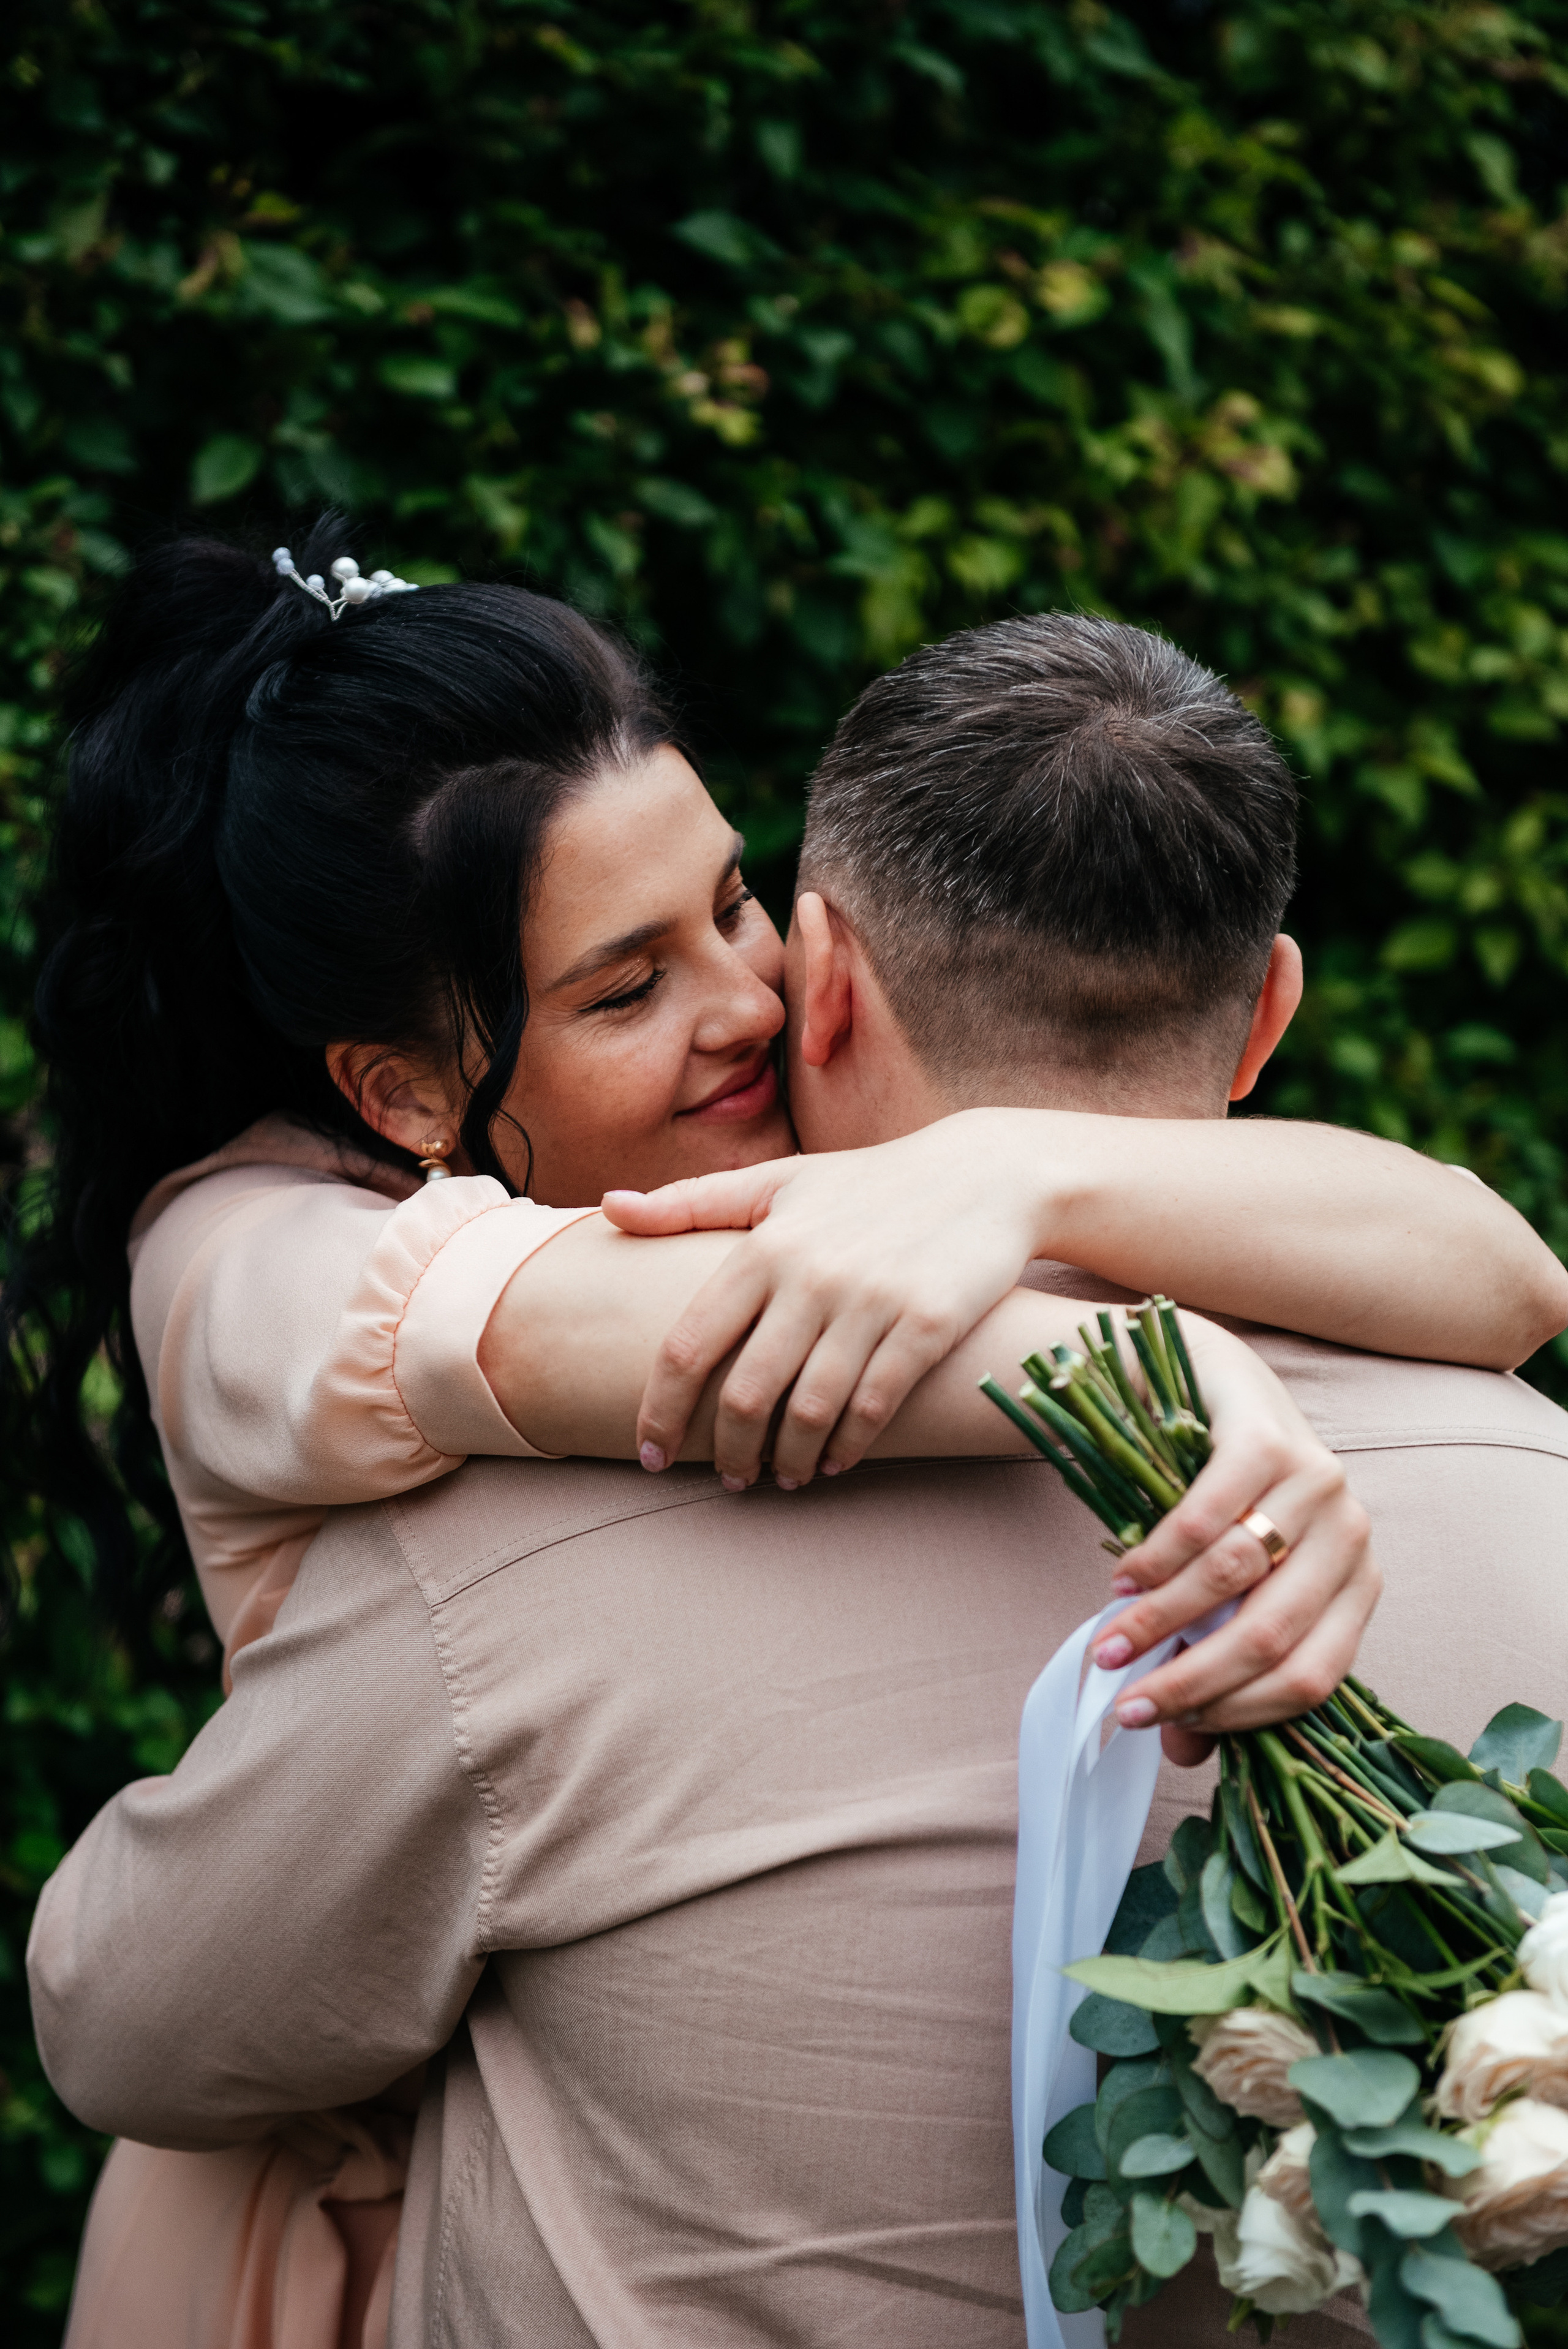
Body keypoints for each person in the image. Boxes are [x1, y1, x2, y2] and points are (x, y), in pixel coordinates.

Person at [28, 609, 1568, 2346]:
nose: (743, 1000)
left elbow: (123, 2013)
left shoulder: (514, 1574)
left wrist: (1022, 1181)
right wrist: (1164, 1363)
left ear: (826, 963)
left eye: (739, 909)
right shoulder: (269, 1271)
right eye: (626, 985)